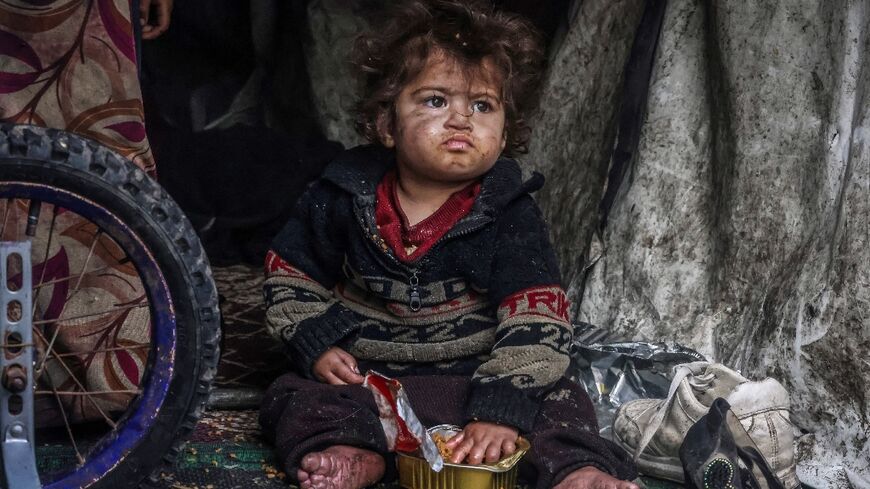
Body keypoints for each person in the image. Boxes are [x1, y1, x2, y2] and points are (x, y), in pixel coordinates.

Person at [259, 1, 639, 488]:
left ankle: (577, 473)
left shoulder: (509, 212)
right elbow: (290, 279)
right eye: (436, 100)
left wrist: (500, 407)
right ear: (387, 125)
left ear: (503, 136)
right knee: (293, 395)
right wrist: (316, 345)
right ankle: (355, 453)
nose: (461, 120)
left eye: (482, 106)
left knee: (562, 402)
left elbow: (537, 320)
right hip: (371, 383)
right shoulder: (340, 196)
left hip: (475, 379)